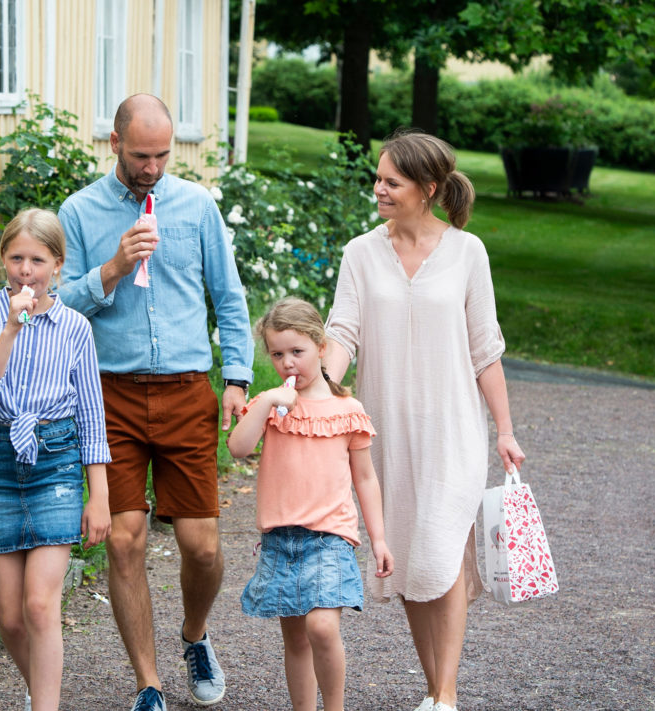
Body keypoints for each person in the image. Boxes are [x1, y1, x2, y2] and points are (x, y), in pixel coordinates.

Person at [57, 94, 254, 711]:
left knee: (202, 546)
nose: (153, 166)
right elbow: (59, 306)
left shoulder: (196, 205)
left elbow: (228, 294)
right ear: (113, 143)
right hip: (107, 393)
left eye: (163, 154)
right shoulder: (80, 211)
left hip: (186, 388)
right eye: (141, 155)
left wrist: (238, 378)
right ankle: (149, 683)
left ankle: (194, 635)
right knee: (125, 540)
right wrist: (112, 268)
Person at [323, 130, 526, 711]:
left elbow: (485, 348)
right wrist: (317, 389)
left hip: (452, 428)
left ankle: (447, 693)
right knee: (408, 562)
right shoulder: (361, 253)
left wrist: (505, 430)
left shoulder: (468, 252)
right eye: (379, 178)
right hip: (385, 431)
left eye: (392, 181)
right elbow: (342, 332)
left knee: (444, 555)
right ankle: (433, 686)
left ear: (428, 189)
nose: (379, 189)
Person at [0, 208, 112, 711]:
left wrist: (101, 497)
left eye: (37, 260)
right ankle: (38, 692)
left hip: (56, 462)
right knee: (9, 618)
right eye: (16, 258)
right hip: (0, 459)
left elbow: (92, 415)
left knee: (40, 603)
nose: (26, 270)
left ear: (57, 264)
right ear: (2, 259)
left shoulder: (74, 328)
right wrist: (10, 329)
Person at [227, 297, 394, 711]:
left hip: (330, 538)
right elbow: (237, 449)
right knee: (296, 639)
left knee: (321, 627)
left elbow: (365, 478)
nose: (288, 363)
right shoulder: (271, 406)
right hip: (280, 540)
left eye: (297, 352)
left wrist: (379, 539)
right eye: (277, 354)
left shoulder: (346, 410)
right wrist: (266, 402)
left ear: (321, 347)